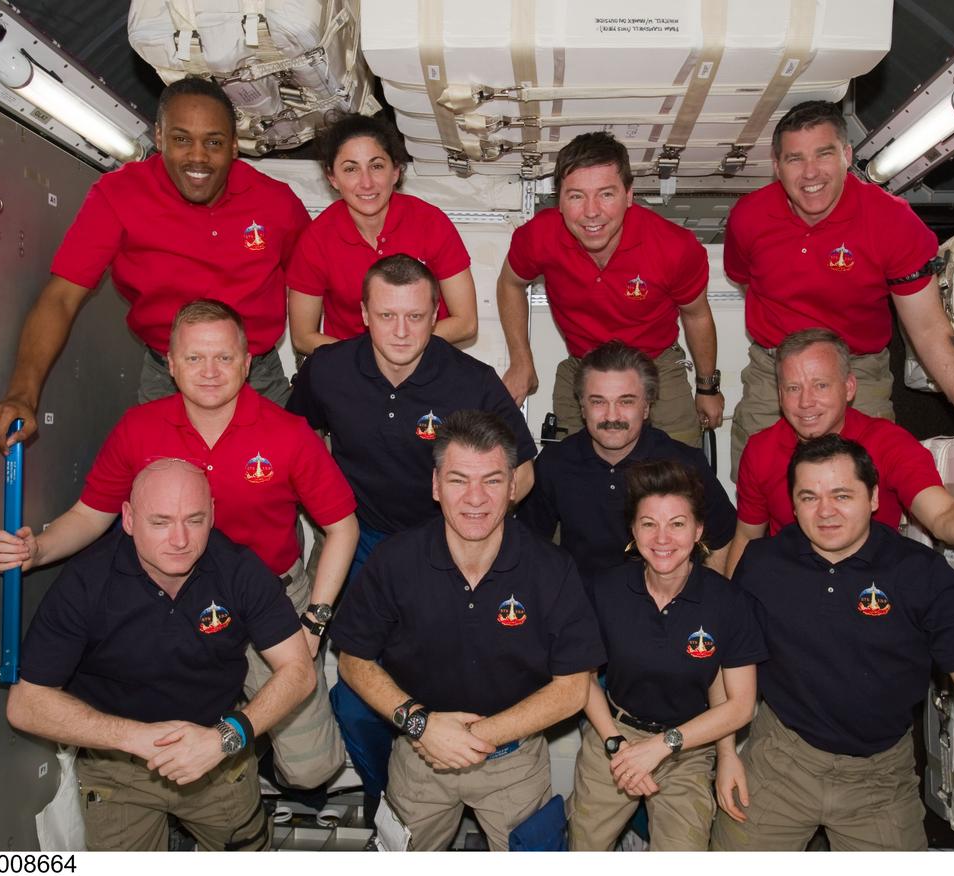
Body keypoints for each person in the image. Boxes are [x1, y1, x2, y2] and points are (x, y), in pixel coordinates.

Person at [0, 299, 357, 789]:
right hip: (165, 598)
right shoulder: (138, 429)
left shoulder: (288, 433)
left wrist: (314, 618)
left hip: (267, 597)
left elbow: (343, 527)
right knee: (161, 738)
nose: (210, 371)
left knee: (312, 770)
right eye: (194, 358)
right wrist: (38, 550)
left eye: (224, 358)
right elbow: (89, 516)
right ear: (170, 364)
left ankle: (249, 746)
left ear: (247, 364)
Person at [710, 435, 954, 851]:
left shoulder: (920, 574)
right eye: (809, 497)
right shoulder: (762, 564)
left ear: (874, 497)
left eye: (842, 495)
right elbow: (726, 664)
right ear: (793, 504)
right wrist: (726, 753)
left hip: (878, 778)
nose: (825, 511)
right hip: (781, 759)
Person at [286, 254, 538, 814]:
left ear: (435, 315)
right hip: (363, 543)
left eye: (416, 317)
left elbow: (522, 469)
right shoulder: (327, 370)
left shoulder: (470, 380)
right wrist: (326, 511)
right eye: (387, 316)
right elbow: (294, 446)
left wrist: (476, 522)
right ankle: (389, 806)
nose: (401, 331)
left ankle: (458, 791)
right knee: (356, 702)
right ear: (363, 314)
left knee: (454, 678)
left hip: (446, 550)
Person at [0, 77, 310, 451]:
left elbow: (316, 284)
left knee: (280, 481)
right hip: (167, 378)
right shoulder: (117, 196)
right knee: (165, 487)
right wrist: (21, 396)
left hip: (257, 377)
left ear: (233, 146)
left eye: (214, 142)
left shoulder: (276, 203)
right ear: (160, 137)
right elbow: (61, 298)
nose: (198, 157)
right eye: (182, 139)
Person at [6, 459, 315, 851]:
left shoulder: (239, 569)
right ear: (129, 519)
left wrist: (225, 738)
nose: (180, 539)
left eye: (194, 520)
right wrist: (138, 738)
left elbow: (299, 670)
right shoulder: (87, 582)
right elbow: (26, 705)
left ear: (212, 514)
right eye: (160, 522)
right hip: (118, 766)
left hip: (218, 756)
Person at [332, 411, 606, 851]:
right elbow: (353, 659)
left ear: (513, 486)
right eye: (459, 480)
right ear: (436, 485)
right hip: (420, 756)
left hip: (513, 761)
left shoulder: (551, 569)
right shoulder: (396, 560)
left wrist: (471, 738)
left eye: (492, 480)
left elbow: (574, 688)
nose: (475, 498)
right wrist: (421, 725)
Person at [723, 99, 954, 476]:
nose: (810, 173)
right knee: (757, 476)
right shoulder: (749, 217)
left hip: (857, 369)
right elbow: (744, 278)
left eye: (824, 154)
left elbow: (928, 328)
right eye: (795, 159)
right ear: (776, 166)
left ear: (846, 156)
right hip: (775, 370)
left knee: (869, 476)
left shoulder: (893, 222)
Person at [725, 328, 954, 575]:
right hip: (792, 591)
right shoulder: (761, 449)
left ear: (849, 388)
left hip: (873, 593)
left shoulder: (888, 443)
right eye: (793, 388)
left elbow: (942, 516)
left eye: (821, 385)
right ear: (779, 394)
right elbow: (747, 538)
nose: (805, 402)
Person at [568, 460, 766, 851]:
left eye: (677, 524)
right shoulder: (605, 590)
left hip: (688, 745)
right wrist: (617, 745)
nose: (662, 538)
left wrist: (670, 747)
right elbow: (581, 678)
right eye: (648, 524)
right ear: (633, 530)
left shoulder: (728, 602)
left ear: (698, 530)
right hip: (614, 734)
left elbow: (740, 705)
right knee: (584, 845)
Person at [496, 131, 723, 447]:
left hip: (655, 364)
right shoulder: (538, 237)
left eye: (605, 194)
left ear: (628, 195)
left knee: (681, 466)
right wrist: (521, 361)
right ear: (559, 200)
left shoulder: (675, 247)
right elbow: (510, 283)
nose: (591, 212)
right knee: (569, 468)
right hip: (583, 364)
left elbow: (696, 315)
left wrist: (707, 388)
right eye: (576, 196)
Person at [518, 341, 737, 578]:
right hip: (581, 597)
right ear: (582, 407)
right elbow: (528, 547)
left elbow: (723, 540)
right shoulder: (555, 463)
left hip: (664, 597)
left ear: (646, 407)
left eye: (626, 401)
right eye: (598, 401)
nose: (612, 416)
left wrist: (706, 595)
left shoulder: (684, 464)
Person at [288, 113, 477, 355]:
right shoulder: (317, 239)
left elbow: (466, 323)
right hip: (351, 364)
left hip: (427, 358)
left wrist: (400, 345)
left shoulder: (431, 223)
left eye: (376, 166)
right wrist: (370, 357)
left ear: (395, 171)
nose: (366, 183)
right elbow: (303, 337)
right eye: (351, 169)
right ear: (332, 178)